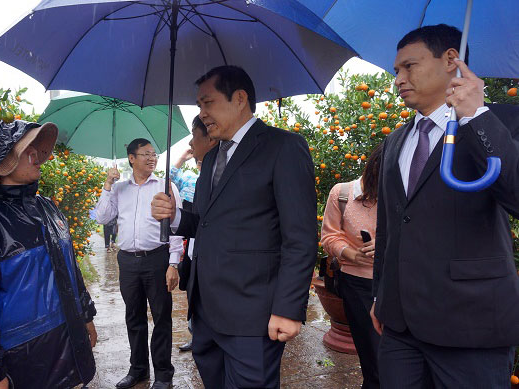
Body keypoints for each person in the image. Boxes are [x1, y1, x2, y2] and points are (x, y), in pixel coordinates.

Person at [371, 24, 519, 388]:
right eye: (396, 71)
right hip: (399, 328)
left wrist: (475, 117)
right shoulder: (395, 141)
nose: (399, 79)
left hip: (471, 325)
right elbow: (391, 227)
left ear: (451, 60)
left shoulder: (501, 121)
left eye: (409, 66)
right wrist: (381, 293)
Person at [152, 65, 317, 388]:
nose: (201, 114)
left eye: (207, 103)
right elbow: (204, 221)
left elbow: (300, 237)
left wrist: (288, 308)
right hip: (206, 312)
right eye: (199, 105)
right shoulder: (212, 158)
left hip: (253, 315)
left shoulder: (283, 147)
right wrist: (174, 216)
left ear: (239, 98)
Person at [0, 121, 98, 389]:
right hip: (22, 366)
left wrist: (86, 316)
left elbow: (71, 272)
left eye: (38, 146)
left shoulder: (46, 207)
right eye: (27, 148)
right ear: (0, 160)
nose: (37, 154)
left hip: (70, 354)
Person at [93, 138, 183, 389]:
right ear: (131, 158)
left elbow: (176, 228)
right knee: (133, 317)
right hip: (128, 261)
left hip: (156, 258)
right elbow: (102, 217)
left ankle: (164, 375)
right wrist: (108, 185)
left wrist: (173, 263)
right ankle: (138, 370)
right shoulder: (120, 189)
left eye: (154, 154)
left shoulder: (166, 187)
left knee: (162, 317)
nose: (152, 158)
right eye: (145, 154)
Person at [321, 143, 383, 389]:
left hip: (398, 279)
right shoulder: (343, 194)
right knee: (372, 354)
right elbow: (329, 236)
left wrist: (387, 243)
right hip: (358, 283)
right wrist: (350, 253)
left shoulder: (402, 193)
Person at [170, 116, 218, 352]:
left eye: (194, 135)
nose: (190, 142)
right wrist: (173, 215)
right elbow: (198, 221)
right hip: (195, 255)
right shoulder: (196, 181)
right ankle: (198, 333)